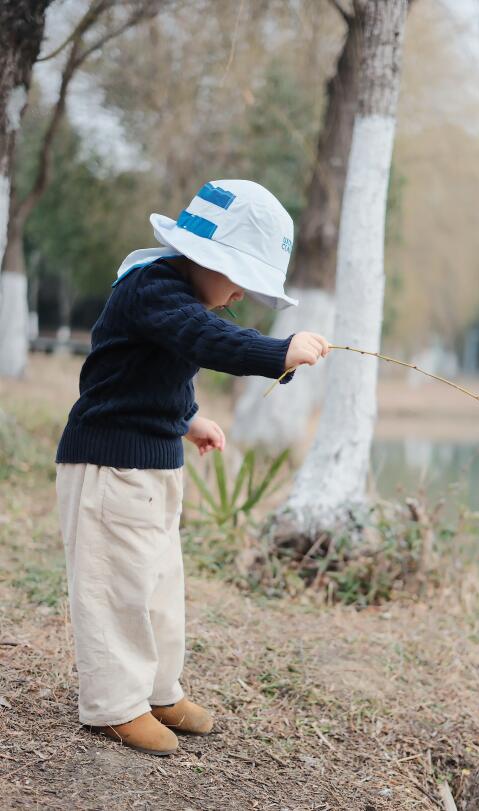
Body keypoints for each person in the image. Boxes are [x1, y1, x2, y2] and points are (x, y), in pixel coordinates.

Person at [54, 179, 330, 756]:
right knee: (115, 587)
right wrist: (276, 353)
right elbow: (201, 339)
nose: (236, 298)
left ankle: (158, 690)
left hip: (155, 466)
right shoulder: (153, 289)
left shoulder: (177, 299)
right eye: (239, 281)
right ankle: (114, 704)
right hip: (109, 464)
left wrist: (188, 419)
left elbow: (152, 375)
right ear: (206, 257)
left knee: (159, 584)